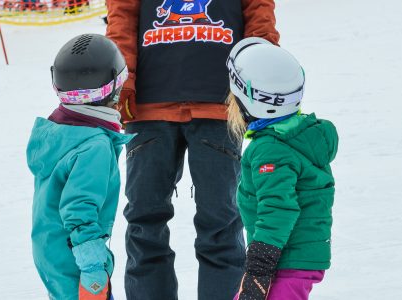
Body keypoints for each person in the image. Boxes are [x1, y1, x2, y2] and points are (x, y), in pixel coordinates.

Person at [106, 0, 279, 299]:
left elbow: (259, 14)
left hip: (219, 104)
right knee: (145, 222)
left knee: (221, 225)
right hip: (149, 106)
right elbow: (121, 16)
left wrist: (258, 76)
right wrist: (123, 82)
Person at [226, 37, 338, 300]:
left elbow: (278, 209)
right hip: (289, 258)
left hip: (285, 261)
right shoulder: (297, 136)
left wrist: (259, 268)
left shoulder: (272, 149)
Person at [26, 34, 133, 300]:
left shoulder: (60, 131)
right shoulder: (93, 146)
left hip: (51, 249)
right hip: (75, 257)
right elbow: (79, 210)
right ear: (113, 87)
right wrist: (93, 267)